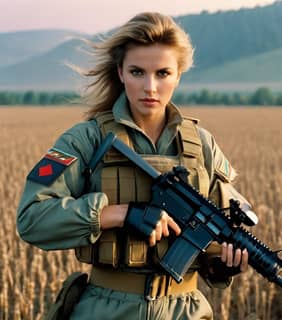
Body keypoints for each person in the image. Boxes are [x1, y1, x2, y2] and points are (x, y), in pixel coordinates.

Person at [17, 12, 251, 320]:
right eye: (138, 72)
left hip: (185, 311)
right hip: (107, 309)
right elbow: (33, 219)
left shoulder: (203, 146)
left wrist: (222, 265)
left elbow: (216, 235)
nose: (150, 87)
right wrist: (118, 214)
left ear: (179, 74)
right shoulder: (85, 140)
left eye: (163, 73)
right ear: (120, 72)